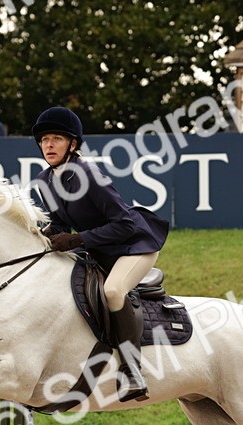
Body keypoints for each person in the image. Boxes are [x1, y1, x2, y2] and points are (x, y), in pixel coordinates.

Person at [32, 106, 169, 403]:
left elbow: (125, 224)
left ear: (73, 144)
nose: (49, 145)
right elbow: (60, 222)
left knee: (113, 291)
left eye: (57, 138)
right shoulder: (45, 179)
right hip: (97, 249)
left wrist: (79, 238)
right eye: (44, 140)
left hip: (134, 246)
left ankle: (133, 371)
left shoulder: (89, 174)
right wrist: (40, 236)